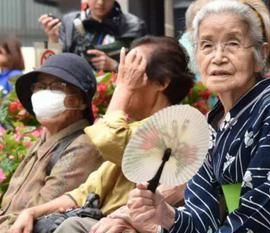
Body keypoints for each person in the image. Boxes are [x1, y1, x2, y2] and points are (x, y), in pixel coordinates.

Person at [127, 1, 270, 232]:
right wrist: (166, 214)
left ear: (261, 54)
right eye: (206, 45)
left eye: (233, 43)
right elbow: (202, 217)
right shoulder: (211, 125)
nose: (218, 57)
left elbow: (257, 219)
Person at [8, 36, 194, 233]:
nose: (121, 77)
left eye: (132, 70)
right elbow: (87, 191)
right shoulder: (129, 129)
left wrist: (124, 88)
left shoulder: (174, 129)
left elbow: (107, 140)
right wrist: (31, 212)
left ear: (162, 82)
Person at [0, 53, 103, 231]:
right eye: (40, 86)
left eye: (57, 86)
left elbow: (41, 212)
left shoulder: (83, 145)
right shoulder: (45, 138)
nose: (44, 93)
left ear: (80, 100)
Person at [38, 0, 146, 71]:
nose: (100, 3)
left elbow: (143, 67)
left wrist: (115, 66)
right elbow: (53, 65)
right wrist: (52, 39)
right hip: (75, 89)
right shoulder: (69, 21)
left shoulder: (133, 25)